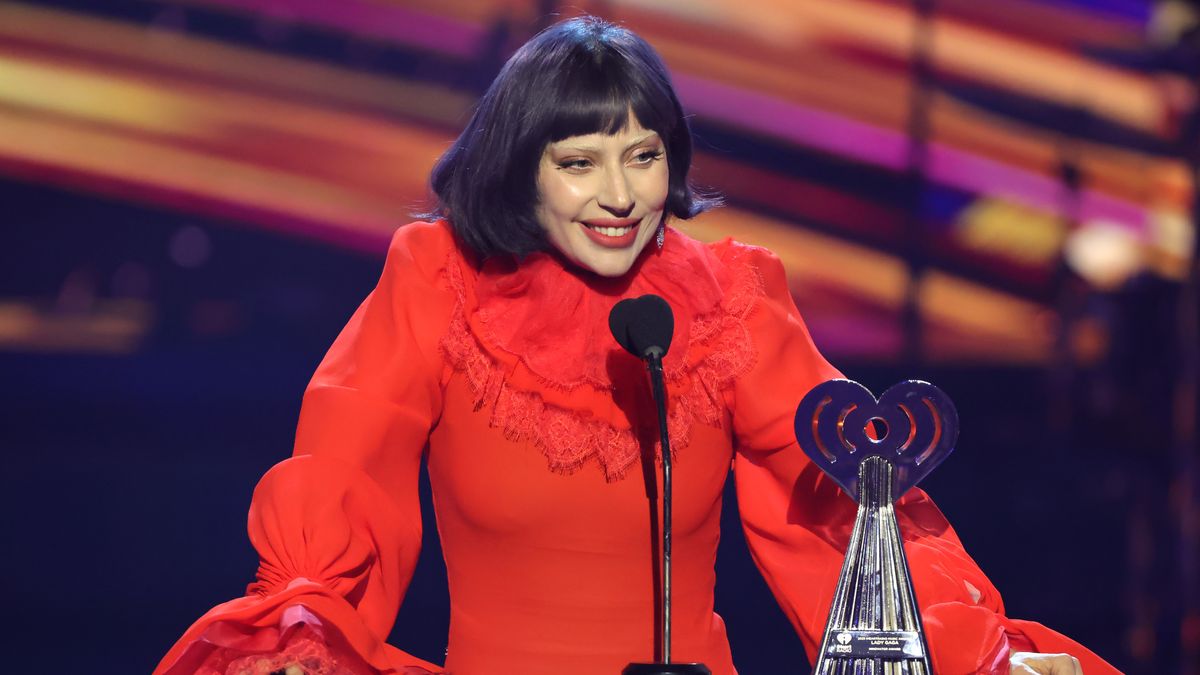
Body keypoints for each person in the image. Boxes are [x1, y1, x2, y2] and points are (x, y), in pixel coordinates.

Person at [155, 16, 1116, 675]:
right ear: (518, 171)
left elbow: (842, 498)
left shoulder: (734, 297)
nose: (620, 194)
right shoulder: (435, 278)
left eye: (644, 155)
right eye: (579, 164)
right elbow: (345, 467)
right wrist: (304, 620)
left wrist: (971, 646)